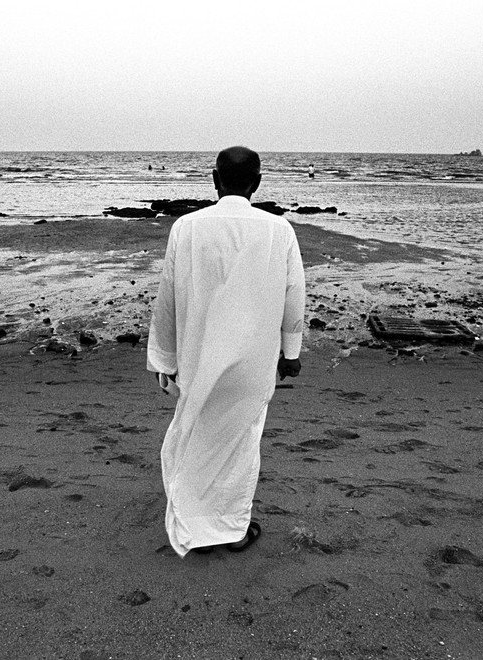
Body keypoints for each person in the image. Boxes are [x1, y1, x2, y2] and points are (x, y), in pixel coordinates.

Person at [147, 146, 306, 557]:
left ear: (215, 180)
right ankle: (231, 530)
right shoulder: (279, 230)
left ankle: (197, 526)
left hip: (198, 356)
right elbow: (294, 297)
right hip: (254, 360)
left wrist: (164, 359)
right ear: (257, 183)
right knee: (242, 443)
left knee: (197, 435)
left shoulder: (187, 227)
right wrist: (291, 353)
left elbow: (167, 299)